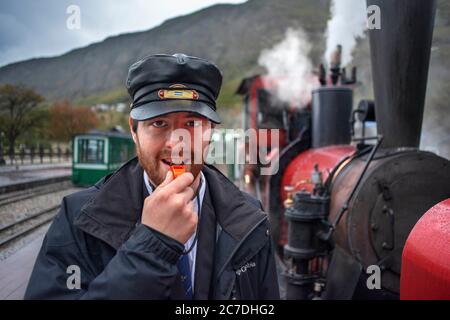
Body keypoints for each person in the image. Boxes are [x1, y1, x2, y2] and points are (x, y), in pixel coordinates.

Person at [25, 53, 280, 300]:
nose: (176, 144)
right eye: (159, 123)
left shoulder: (250, 217)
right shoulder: (77, 217)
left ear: (210, 131)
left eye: (192, 124)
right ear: (134, 131)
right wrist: (152, 246)